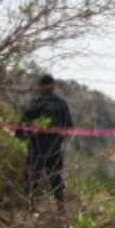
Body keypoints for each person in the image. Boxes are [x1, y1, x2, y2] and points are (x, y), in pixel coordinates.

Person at [16, 74, 73, 209]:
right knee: (55, 177)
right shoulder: (61, 104)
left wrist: (22, 137)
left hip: (36, 147)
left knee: (32, 177)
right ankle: (60, 207)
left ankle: (29, 207)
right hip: (54, 148)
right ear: (53, 87)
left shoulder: (35, 104)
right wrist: (61, 138)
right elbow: (69, 127)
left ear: (41, 87)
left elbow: (21, 128)